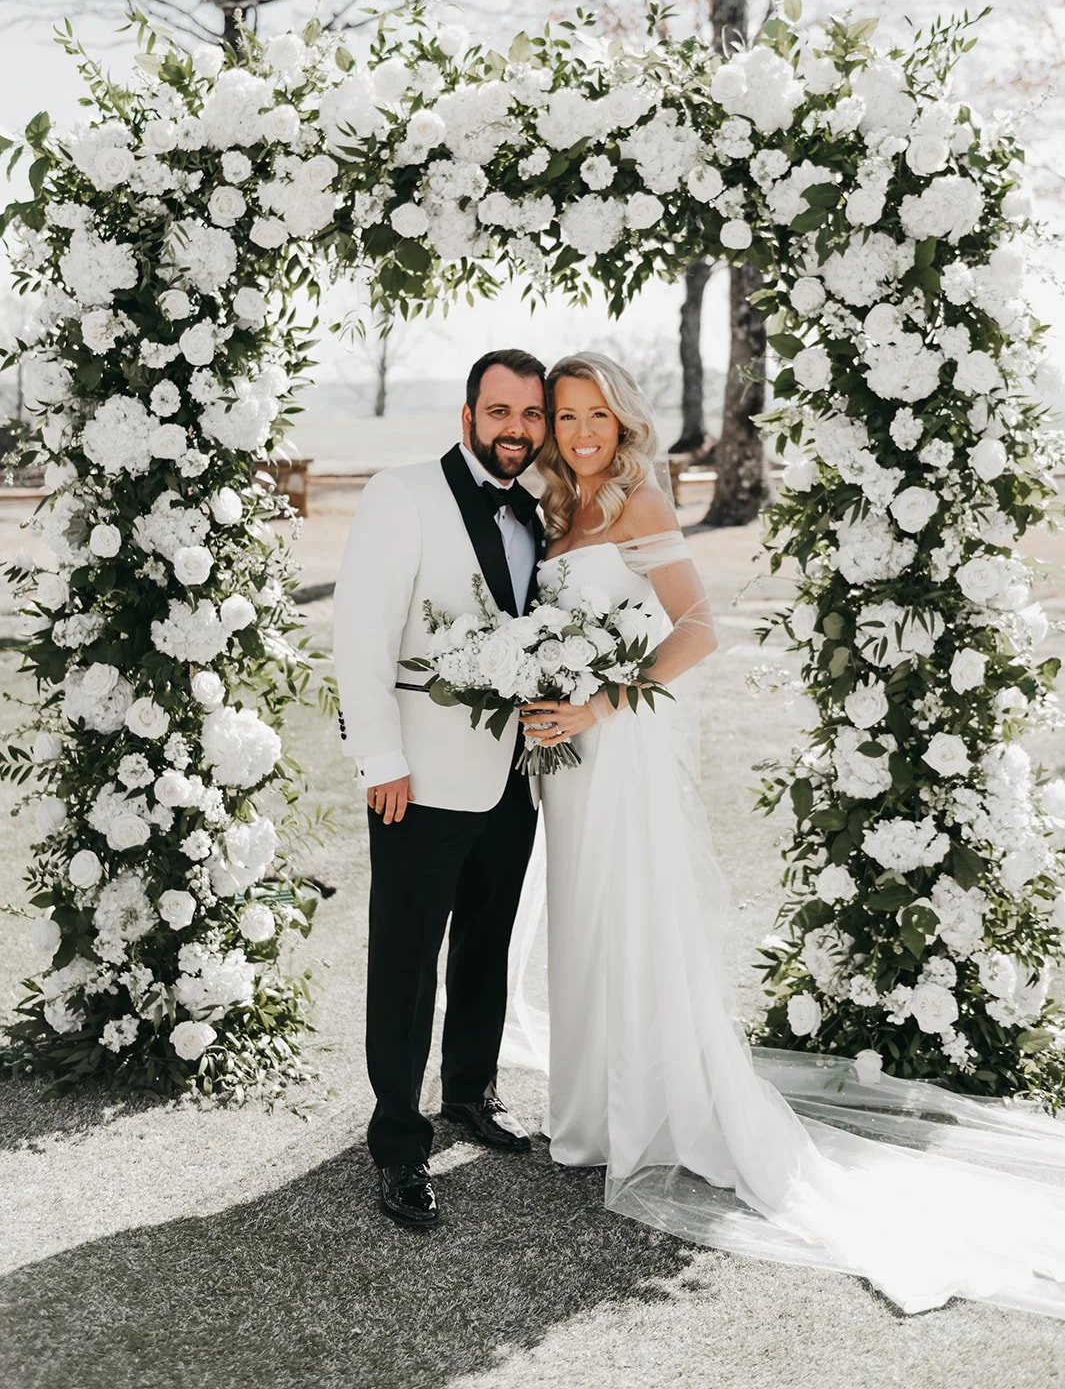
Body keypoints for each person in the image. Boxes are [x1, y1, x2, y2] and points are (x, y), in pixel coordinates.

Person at [517, 350, 1065, 1317]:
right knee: (582, 917)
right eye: (564, 417)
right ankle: (592, 1112)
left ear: (621, 418)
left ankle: (645, 1110)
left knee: (628, 911)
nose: (579, 432)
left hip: (618, 747)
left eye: (593, 414)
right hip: (566, 763)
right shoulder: (558, 510)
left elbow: (695, 628)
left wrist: (600, 702)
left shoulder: (638, 503)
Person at [333, 348, 547, 1229]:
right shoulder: (404, 493)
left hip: (514, 774)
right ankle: (396, 1140)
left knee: (486, 942)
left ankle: (468, 1093)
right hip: (415, 777)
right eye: (501, 413)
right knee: (407, 959)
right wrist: (380, 760)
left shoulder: (540, 510)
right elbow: (359, 631)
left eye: (531, 416)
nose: (517, 431)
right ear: (467, 417)